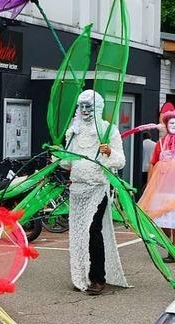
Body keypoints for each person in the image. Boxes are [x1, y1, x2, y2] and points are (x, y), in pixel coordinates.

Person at [61, 90, 128, 295]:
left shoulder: (108, 131)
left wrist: (109, 151)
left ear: (97, 107)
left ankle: (98, 278)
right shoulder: (73, 131)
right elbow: (67, 161)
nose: (85, 111)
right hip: (77, 189)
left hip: (98, 188)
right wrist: (60, 156)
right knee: (79, 232)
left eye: (89, 106)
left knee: (93, 230)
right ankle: (80, 276)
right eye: (82, 106)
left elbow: (120, 161)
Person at [139, 110, 175, 262]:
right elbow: (152, 163)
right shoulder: (160, 143)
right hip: (162, 189)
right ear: (166, 125)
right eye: (171, 123)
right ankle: (170, 248)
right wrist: (149, 183)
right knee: (164, 221)